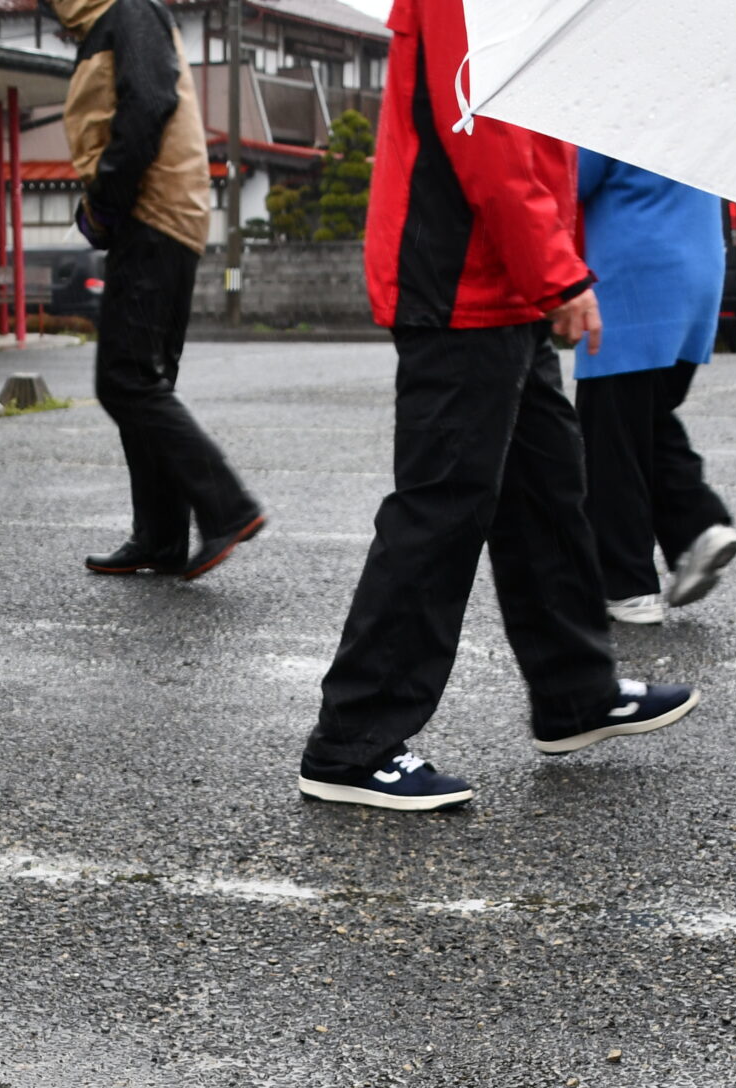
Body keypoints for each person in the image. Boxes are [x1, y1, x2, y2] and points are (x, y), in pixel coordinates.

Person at [295, 0, 699, 811]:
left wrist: (545, 269)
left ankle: (575, 693)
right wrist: (557, 272)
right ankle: (353, 740)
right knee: (441, 503)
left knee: (548, 492)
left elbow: (535, 139)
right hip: (459, 285)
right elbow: (484, 129)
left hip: (499, 285)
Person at [53, 0, 266, 580]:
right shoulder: (111, 19)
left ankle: (227, 504)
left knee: (125, 379)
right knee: (145, 381)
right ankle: (160, 536)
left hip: (154, 215)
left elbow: (149, 102)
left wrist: (106, 199)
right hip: (166, 214)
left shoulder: (128, 12)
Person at [573, 151, 736, 625]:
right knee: (640, 420)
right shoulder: (693, 96)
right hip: (698, 272)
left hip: (633, 279)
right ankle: (697, 525)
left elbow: (572, 179)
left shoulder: (612, 95)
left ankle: (627, 585)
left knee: (609, 439)